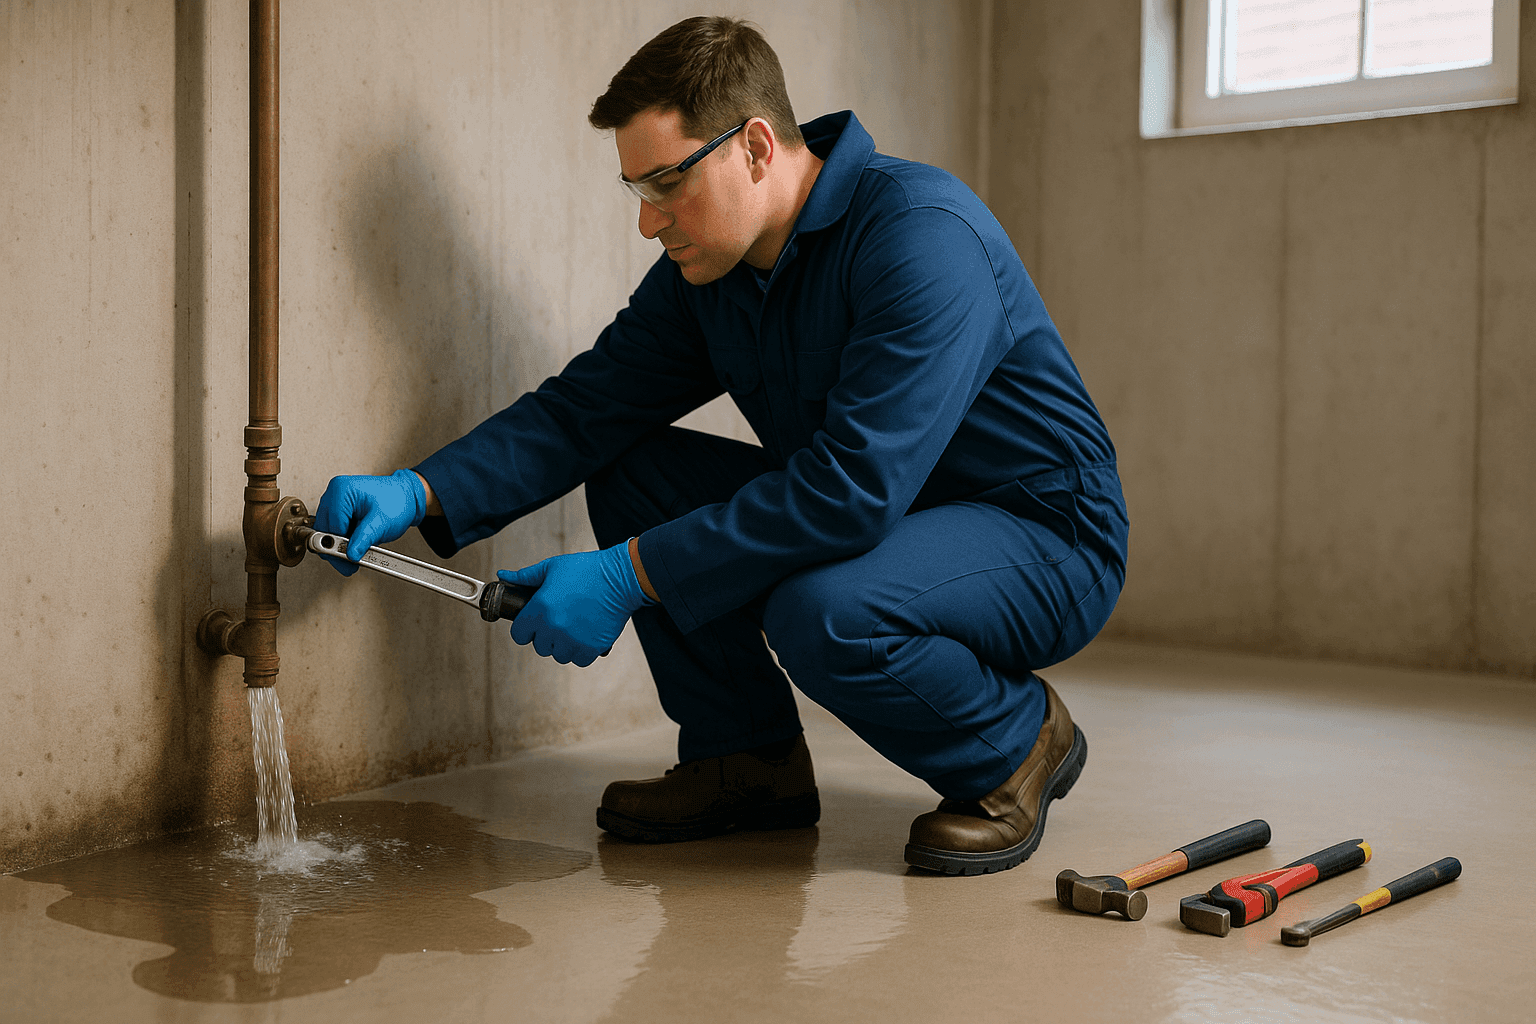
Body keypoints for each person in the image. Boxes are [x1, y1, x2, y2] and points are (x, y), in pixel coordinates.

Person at [316, 16, 1128, 875]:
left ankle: (1012, 745)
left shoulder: (921, 235)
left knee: (826, 612)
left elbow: (849, 490)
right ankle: (745, 760)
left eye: (666, 182)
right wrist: (418, 489)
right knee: (633, 468)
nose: (648, 221)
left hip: (1043, 535)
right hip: (895, 519)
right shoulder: (709, 272)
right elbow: (582, 412)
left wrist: (631, 573)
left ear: (754, 146)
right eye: (637, 190)